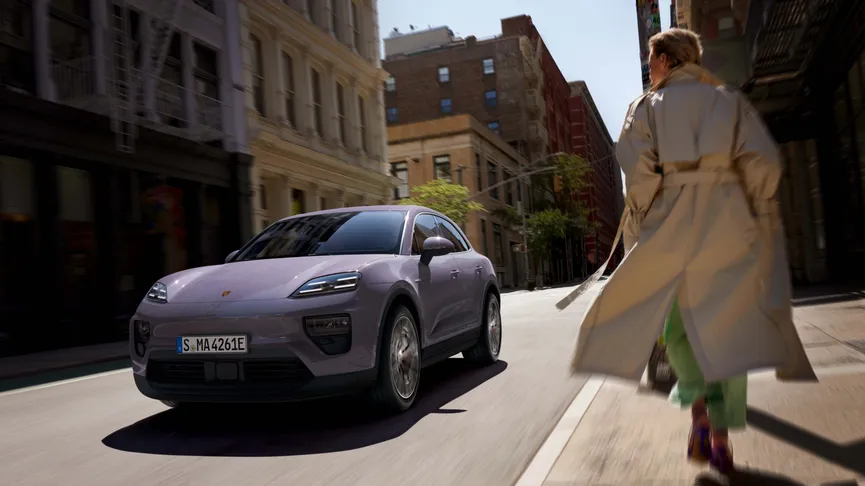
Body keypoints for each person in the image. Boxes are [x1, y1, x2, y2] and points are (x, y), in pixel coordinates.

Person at [563, 28, 817, 474]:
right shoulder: (728, 101)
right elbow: (764, 164)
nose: (649, 67)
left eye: (651, 58)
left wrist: (645, 215)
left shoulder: (645, 108)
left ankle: (698, 410)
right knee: (725, 329)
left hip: (673, 222)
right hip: (727, 225)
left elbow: (635, 171)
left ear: (664, 59)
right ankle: (720, 440)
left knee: (676, 328)